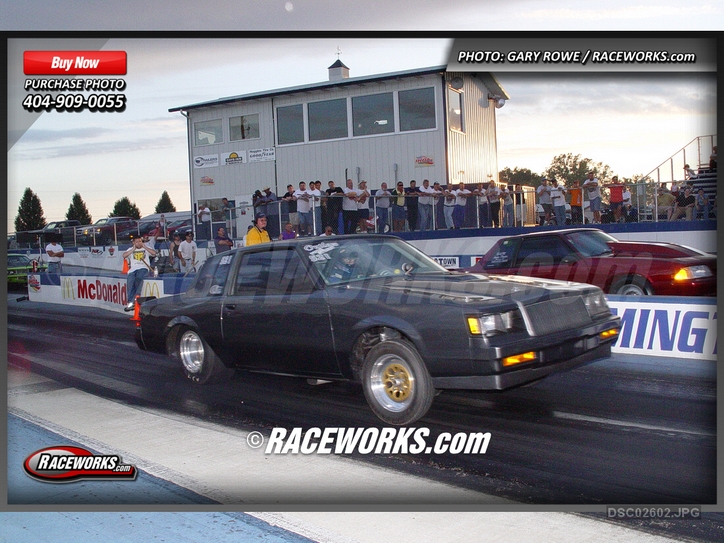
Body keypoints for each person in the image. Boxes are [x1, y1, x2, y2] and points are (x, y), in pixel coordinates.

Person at [123, 236, 157, 311]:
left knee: (139, 277)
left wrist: (145, 247)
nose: (139, 243)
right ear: (134, 243)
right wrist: (133, 249)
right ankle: (130, 301)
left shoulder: (146, 248)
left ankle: (136, 298)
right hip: (133, 269)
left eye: (140, 241)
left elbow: (154, 253)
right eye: (137, 242)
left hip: (143, 267)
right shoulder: (130, 249)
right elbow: (124, 255)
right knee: (130, 281)